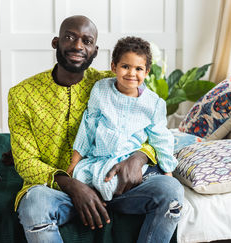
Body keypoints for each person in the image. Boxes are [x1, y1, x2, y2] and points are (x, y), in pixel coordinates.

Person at [8, 15, 184, 243]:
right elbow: (24, 162)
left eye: (87, 41)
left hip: (118, 183)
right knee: (34, 204)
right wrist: (73, 186)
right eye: (69, 37)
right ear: (56, 43)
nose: (78, 45)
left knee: (171, 191)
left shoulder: (113, 83)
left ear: (95, 51)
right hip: (57, 190)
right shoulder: (22, 95)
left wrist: (139, 158)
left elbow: (148, 124)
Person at [67, 36, 178, 202]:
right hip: (97, 159)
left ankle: (109, 200)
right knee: (78, 179)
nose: (132, 73)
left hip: (126, 161)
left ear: (147, 72)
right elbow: (88, 127)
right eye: (125, 66)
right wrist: (73, 165)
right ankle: (100, 200)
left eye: (139, 69)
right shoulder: (100, 89)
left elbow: (160, 138)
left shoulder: (153, 103)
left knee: (111, 184)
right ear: (114, 67)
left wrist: (168, 173)